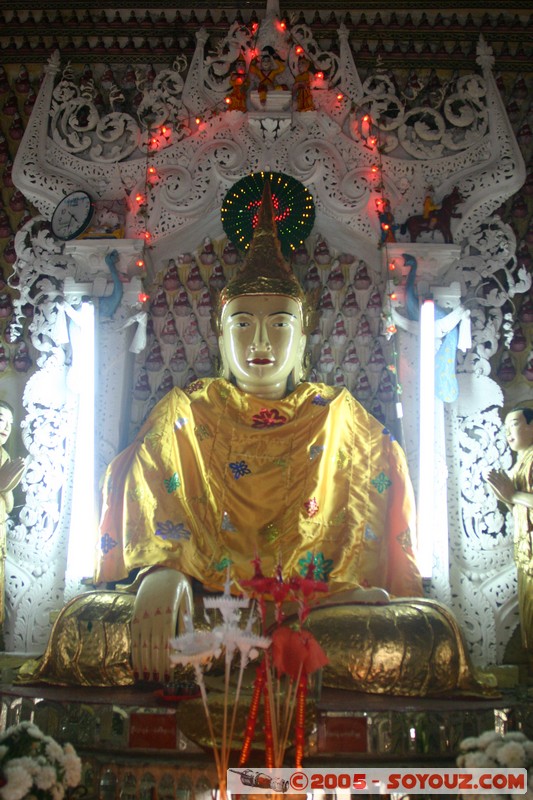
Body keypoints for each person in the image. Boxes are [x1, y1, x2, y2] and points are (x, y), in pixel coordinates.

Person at [20, 183, 494, 697]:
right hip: (201, 606)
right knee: (86, 625)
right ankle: (273, 652)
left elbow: (366, 532)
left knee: (422, 637)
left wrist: (342, 597)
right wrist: (160, 573)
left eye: (279, 323)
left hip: (313, 615)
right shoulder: (186, 411)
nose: (261, 342)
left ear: (305, 336)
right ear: (220, 338)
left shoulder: (339, 417)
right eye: (242, 324)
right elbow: (148, 504)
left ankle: (272, 645)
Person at [486, 407, 533, 660]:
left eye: (514, 424)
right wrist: (503, 495)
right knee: (527, 615)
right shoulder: (518, 465)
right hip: (526, 550)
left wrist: (512, 494)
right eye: (505, 428)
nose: (508, 433)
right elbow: (517, 507)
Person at [0, 400, 25, 643]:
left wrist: (6, 487)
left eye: (10, 423)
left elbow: (7, 504)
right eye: (0, 420)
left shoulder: (5, 455)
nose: (5, 427)